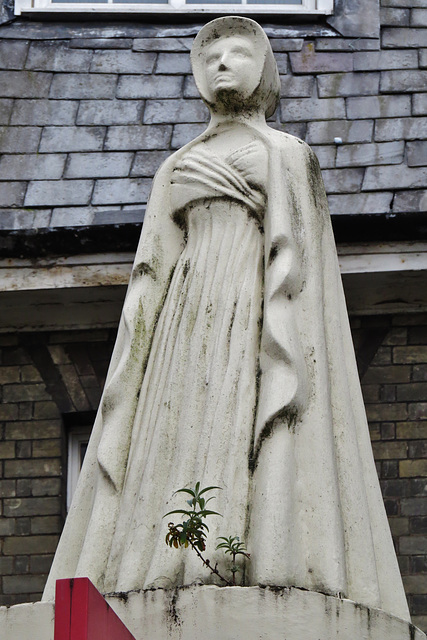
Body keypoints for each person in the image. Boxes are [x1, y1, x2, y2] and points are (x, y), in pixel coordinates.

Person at [43, 16, 410, 622]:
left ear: (262, 69)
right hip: (185, 314)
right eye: (211, 57)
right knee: (176, 416)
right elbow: (151, 267)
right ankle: (158, 556)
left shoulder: (286, 154)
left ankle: (245, 547)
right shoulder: (175, 166)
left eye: (239, 54)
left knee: (241, 411)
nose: (222, 65)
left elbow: (301, 257)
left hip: (253, 300)